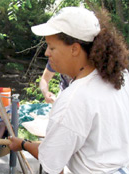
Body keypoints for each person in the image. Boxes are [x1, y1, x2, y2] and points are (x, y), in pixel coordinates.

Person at [9, 6, 129, 174]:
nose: (46, 53)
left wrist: (23, 144)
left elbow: (52, 163)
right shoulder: (121, 76)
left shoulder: (74, 99)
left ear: (74, 49)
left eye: (52, 47)